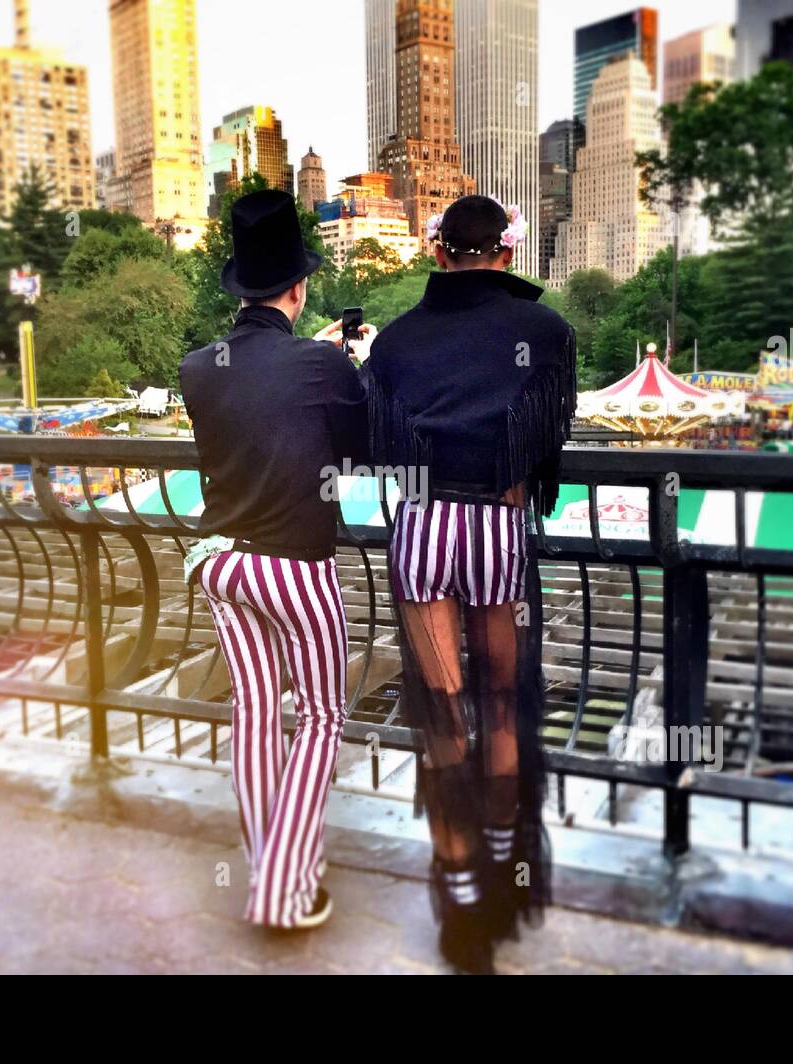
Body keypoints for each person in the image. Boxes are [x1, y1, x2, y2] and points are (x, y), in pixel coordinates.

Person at [362, 195, 577, 973]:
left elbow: (376, 441)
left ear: (438, 252)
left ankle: (458, 898)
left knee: (442, 714)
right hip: (497, 526)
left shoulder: (394, 340)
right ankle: (501, 870)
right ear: (507, 253)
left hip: (422, 528)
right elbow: (547, 433)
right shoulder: (545, 330)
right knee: (504, 704)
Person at [179, 189, 374, 930]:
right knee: (322, 714)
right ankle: (285, 892)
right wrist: (342, 366)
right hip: (295, 566)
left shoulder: (198, 367)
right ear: (299, 287)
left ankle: (274, 867)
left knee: (256, 714)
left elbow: (256, 402)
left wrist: (316, 358)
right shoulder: (320, 367)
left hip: (221, 564)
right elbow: (361, 449)